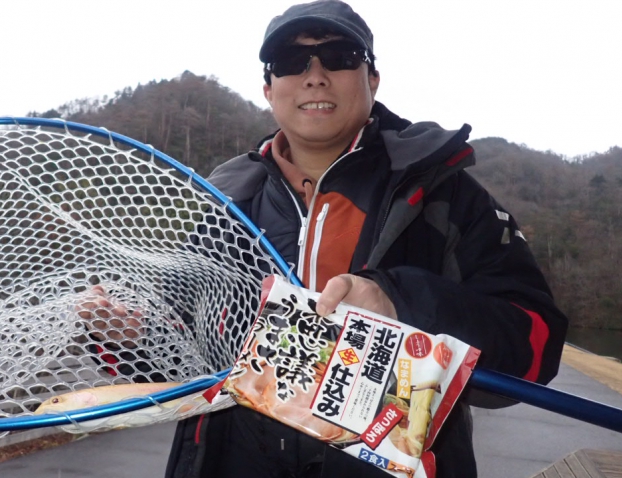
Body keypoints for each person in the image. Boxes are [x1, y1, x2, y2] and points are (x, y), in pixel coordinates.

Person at [163, 1, 569, 477]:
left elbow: (535, 347)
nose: (315, 77)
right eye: (291, 62)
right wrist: (119, 332)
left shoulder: (445, 194)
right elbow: (171, 350)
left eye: (339, 57)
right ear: (269, 89)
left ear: (372, 79)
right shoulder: (227, 205)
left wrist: (400, 303)